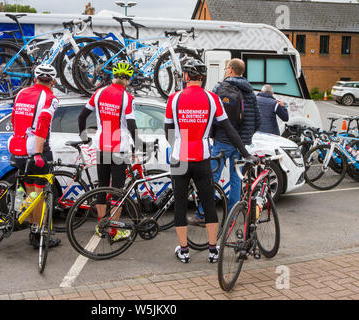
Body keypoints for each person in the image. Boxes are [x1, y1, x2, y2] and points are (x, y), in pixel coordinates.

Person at [164, 58, 254, 264]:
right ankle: (213, 251)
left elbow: (168, 131)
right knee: (208, 203)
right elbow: (229, 129)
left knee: (180, 205)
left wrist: (177, 144)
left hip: (180, 158)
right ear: (202, 78)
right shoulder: (212, 98)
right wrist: (245, 153)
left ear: (186, 76)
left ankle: (184, 251)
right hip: (203, 157)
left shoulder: (174, 99)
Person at [78, 60, 148, 242]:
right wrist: (139, 143)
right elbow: (131, 125)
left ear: (113, 76)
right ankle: (114, 231)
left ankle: (102, 227)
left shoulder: (99, 93)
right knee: (117, 190)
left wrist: (84, 137)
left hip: (101, 146)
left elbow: (82, 115)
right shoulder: (127, 98)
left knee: (102, 187)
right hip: (119, 148)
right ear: (129, 78)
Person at [8, 64, 61, 249]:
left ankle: (32, 228)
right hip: (37, 150)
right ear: (53, 81)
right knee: (39, 195)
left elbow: (14, 118)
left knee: (30, 192)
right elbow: (42, 127)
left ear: (34, 78)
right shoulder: (50, 98)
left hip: (18, 146)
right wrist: (38, 152)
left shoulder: (21, 93)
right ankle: (38, 234)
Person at [208, 58, 261, 214]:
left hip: (222, 141)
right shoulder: (250, 92)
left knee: (213, 177)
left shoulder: (220, 87)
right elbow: (257, 120)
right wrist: (245, 137)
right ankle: (233, 212)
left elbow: (211, 113)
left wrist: (212, 134)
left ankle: (204, 213)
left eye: (226, 68)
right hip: (240, 144)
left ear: (230, 69)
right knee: (236, 178)